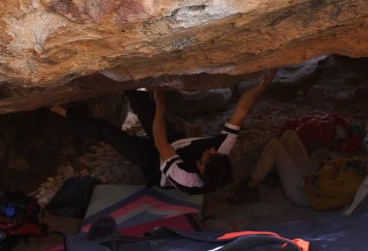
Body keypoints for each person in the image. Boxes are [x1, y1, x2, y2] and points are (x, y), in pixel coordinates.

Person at [78, 70, 276, 194]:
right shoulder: (220, 151)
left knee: (110, 134)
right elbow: (241, 112)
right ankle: (124, 82)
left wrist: (161, 105)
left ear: (200, 168)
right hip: (177, 145)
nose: (210, 150)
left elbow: (160, 142)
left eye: (206, 157)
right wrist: (261, 86)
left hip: (156, 164)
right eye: (213, 153)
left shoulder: (187, 178)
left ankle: (60, 113)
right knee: (141, 104)